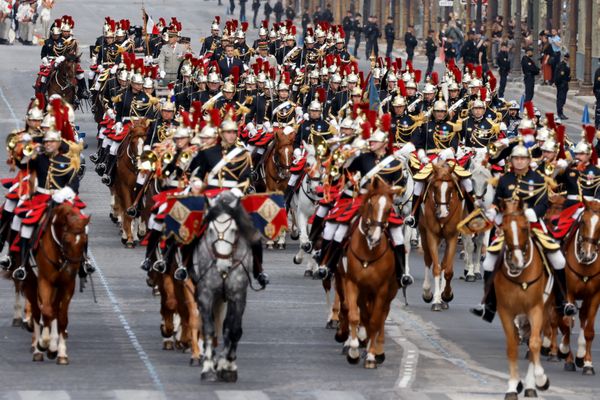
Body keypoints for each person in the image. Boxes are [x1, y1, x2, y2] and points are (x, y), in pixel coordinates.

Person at [470, 141, 577, 323]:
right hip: (509, 226)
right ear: (511, 161)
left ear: (528, 160)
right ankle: (488, 304)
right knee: (489, 262)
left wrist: (533, 212)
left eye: (522, 159)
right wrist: (493, 210)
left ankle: (562, 302)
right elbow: (498, 200)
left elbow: (544, 203)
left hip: (533, 225)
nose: (519, 162)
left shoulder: (538, 179)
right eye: (516, 159)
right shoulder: (505, 180)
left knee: (558, 259)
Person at [554, 53, 570, 120]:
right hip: (562, 85)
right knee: (561, 99)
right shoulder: (563, 66)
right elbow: (560, 76)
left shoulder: (563, 65)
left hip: (562, 84)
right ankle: (560, 113)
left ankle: (560, 113)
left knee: (561, 99)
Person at [594, 62, 600, 129]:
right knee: (598, 109)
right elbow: (596, 84)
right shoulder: (598, 71)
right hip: (599, 92)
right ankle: (597, 123)